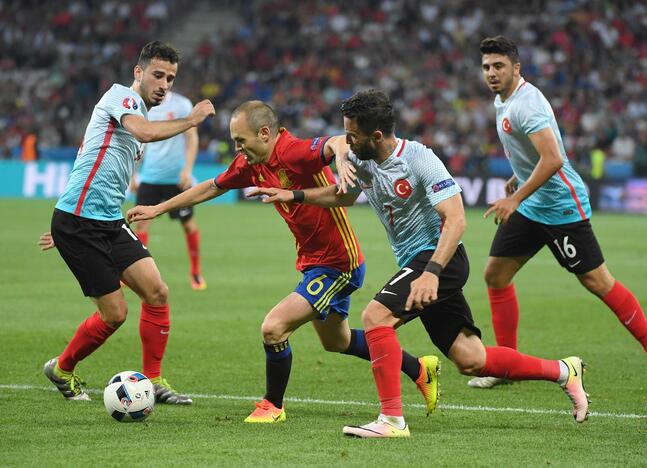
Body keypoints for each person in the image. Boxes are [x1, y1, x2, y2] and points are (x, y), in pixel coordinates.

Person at [252, 89, 590, 438]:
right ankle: (564, 371)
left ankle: (392, 420)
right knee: (471, 359)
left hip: (439, 259)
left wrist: (431, 273)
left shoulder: (419, 159)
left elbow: (456, 220)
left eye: (353, 135)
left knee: (374, 317)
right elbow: (345, 195)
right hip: (420, 265)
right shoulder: (363, 161)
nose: (347, 142)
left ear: (377, 135)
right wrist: (293, 195)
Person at [126, 100, 440, 423]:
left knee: (274, 328)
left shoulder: (292, 152)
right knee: (338, 341)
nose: (237, 148)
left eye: (240, 141)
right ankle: (420, 369)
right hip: (312, 262)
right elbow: (211, 187)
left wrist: (343, 156)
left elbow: (335, 142)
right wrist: (156, 209)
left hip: (338, 264)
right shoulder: (251, 163)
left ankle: (272, 406)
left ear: (264, 133)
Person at [38, 41, 215, 404]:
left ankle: (154, 380)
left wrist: (67, 223)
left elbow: (89, 156)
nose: (164, 84)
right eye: (157, 75)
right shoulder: (123, 98)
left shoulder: (137, 115)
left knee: (157, 291)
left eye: (170, 78)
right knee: (114, 314)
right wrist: (192, 120)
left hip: (103, 221)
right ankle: (62, 368)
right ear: (138, 73)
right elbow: (145, 133)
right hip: (79, 223)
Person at [468, 35, 647, 389]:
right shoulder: (502, 101)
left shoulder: (526, 105)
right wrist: (517, 178)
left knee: (598, 282)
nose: (491, 72)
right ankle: (507, 366)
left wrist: (516, 197)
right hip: (533, 203)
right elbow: (534, 154)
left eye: (499, 66)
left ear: (516, 68)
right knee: (496, 275)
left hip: (561, 206)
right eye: (487, 66)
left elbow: (553, 158)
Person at [132, 90, 207, 290]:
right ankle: (134, 275)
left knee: (189, 225)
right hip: (150, 177)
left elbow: (192, 139)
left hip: (177, 179)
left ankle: (196, 272)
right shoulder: (142, 106)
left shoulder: (182, 105)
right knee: (141, 226)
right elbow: (137, 141)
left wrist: (188, 170)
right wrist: (133, 174)